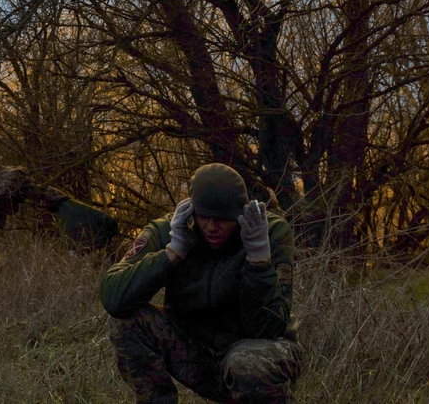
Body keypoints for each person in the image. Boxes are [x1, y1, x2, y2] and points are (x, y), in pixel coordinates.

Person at [99, 163, 297, 403]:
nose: (212, 227)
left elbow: (270, 329)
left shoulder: (269, 231)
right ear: (193, 211)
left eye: (223, 219)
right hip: (196, 353)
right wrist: (173, 252)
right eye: (204, 217)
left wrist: (258, 260)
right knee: (127, 321)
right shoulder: (167, 229)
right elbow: (113, 298)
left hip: (254, 352)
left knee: (247, 362)